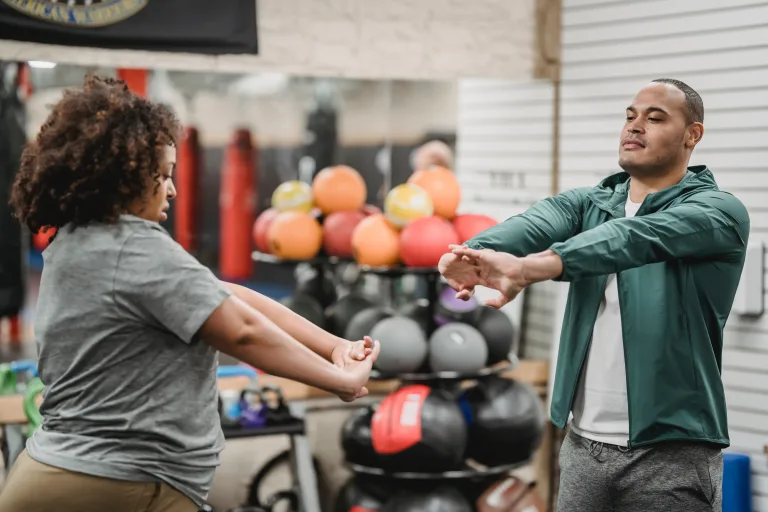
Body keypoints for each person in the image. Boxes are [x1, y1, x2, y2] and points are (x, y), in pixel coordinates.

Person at [0, 75, 379, 512]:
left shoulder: (79, 239)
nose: (172, 189)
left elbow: (226, 296)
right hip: (122, 484)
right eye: (161, 176)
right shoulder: (133, 246)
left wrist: (337, 346)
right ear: (121, 177)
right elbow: (242, 332)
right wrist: (339, 381)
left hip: (68, 474)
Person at [439, 78, 750, 511]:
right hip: (583, 447)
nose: (635, 126)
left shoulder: (716, 213)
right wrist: (476, 256)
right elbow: (533, 224)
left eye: (655, 118)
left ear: (692, 135)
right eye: (630, 116)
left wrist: (529, 269)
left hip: (671, 454)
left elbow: (633, 239)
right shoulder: (590, 203)